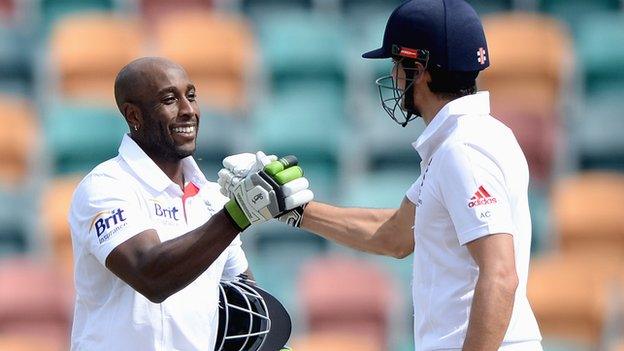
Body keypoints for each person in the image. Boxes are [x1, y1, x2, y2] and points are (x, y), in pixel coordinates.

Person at [218, 1, 543, 350]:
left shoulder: (462, 150)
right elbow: (395, 235)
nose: (394, 75)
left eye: (396, 64)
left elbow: (500, 275)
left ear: (420, 69)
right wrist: (292, 209)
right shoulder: (470, 139)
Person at [68, 57, 311, 350]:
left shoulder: (210, 197)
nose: (188, 110)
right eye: (170, 99)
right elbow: (151, 276)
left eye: (191, 96)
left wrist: (269, 345)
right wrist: (237, 215)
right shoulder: (106, 186)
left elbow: (244, 299)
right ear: (134, 115)